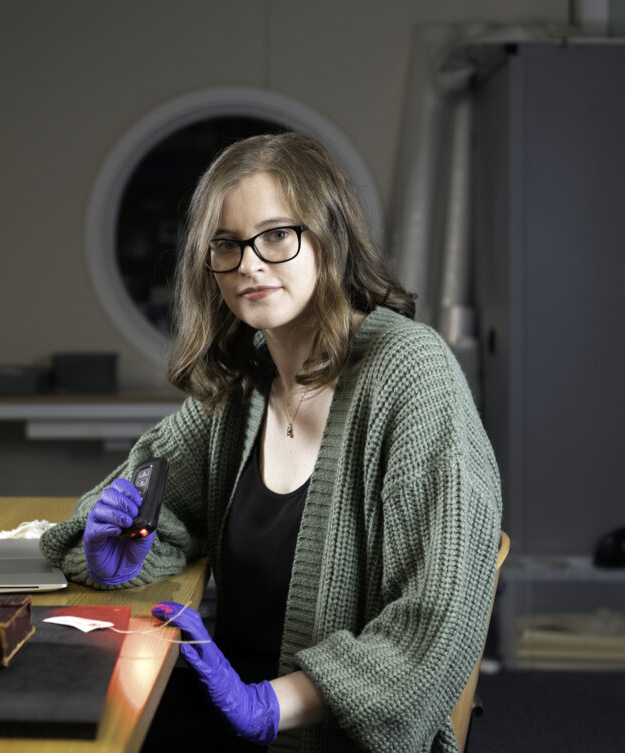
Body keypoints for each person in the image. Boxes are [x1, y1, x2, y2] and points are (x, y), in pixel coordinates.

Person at [39, 132, 502, 752]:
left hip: (318, 735)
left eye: (277, 235)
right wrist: (112, 545)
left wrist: (267, 705)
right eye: (226, 245)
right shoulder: (243, 386)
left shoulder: (411, 374)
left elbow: (434, 625)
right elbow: (139, 497)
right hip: (228, 713)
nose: (250, 264)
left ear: (328, 238)